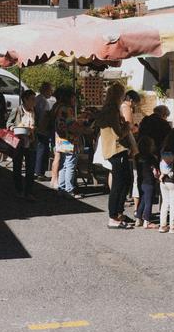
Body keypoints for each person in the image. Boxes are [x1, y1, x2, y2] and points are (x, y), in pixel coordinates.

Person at [95, 83, 136, 228]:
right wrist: (127, 126)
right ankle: (113, 216)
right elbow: (118, 133)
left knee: (125, 181)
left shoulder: (106, 110)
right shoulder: (112, 110)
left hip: (112, 149)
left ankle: (118, 213)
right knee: (120, 184)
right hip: (116, 149)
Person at [53, 86, 89, 197]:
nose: (75, 101)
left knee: (64, 164)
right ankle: (69, 189)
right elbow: (71, 126)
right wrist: (84, 128)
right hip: (69, 139)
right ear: (68, 98)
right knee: (70, 164)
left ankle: (62, 188)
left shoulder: (58, 107)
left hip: (60, 138)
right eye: (73, 98)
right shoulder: (67, 109)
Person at [9, 90, 37, 200]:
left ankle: (29, 192)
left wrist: (34, 129)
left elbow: (37, 124)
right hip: (18, 142)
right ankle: (19, 190)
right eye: (32, 99)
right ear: (25, 99)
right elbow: (8, 123)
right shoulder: (17, 110)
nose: (34, 102)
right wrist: (14, 128)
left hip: (31, 142)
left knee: (30, 169)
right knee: (17, 167)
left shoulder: (34, 111)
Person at [135, 135, 159, 229]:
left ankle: (138, 218)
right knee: (149, 201)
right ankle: (147, 221)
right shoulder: (152, 157)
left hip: (140, 180)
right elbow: (155, 170)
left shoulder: (137, 156)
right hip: (149, 181)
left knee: (143, 200)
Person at [33, 82, 55, 180]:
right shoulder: (44, 101)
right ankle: (40, 172)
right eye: (50, 90)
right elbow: (44, 117)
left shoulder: (37, 98)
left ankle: (36, 171)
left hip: (36, 128)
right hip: (42, 129)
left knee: (38, 150)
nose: (51, 92)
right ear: (46, 90)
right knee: (42, 151)